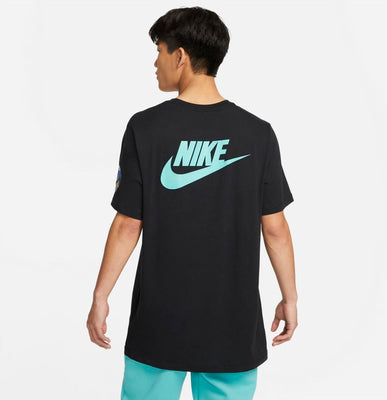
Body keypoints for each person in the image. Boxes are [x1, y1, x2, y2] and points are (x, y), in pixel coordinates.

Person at [86, 6, 298, 400]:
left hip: (159, 322)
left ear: (180, 56)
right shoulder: (258, 134)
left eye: (159, 51)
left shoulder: (145, 128)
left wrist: (101, 296)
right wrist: (290, 298)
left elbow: (128, 224)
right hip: (232, 325)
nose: (155, 63)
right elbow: (275, 228)